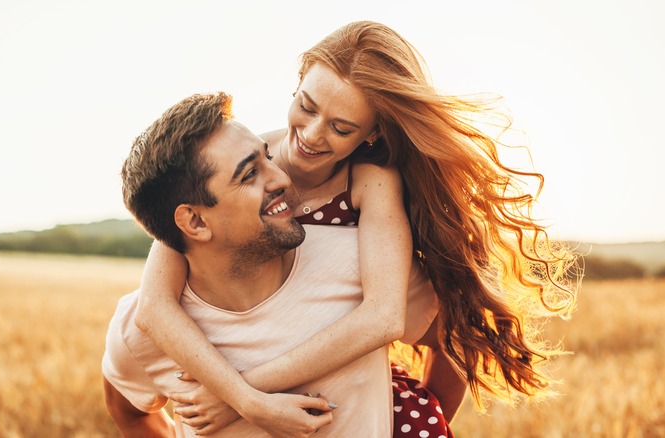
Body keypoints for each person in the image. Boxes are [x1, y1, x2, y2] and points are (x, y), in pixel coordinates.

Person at [134, 20, 580, 435]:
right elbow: (154, 305)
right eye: (306, 106)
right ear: (298, 82)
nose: (310, 135)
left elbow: (385, 318)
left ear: (371, 134)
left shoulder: (370, 184)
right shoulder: (236, 171)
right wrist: (247, 400)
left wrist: (242, 395)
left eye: (341, 128)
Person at [102, 92, 443, 437]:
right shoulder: (141, 327)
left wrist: (420, 425)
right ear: (195, 223)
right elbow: (129, 413)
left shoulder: (358, 265)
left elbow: (450, 341)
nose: (282, 179)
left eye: (268, 156)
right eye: (250, 174)